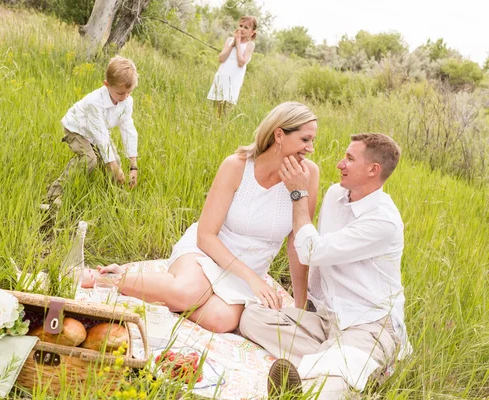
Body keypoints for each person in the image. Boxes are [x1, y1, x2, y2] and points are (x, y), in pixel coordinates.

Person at [80, 102, 319, 333]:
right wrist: (253, 280)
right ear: (279, 134)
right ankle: (112, 279)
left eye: (312, 141)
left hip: (249, 270)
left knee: (220, 320)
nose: (310, 148)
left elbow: (298, 245)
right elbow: (206, 236)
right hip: (207, 252)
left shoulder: (309, 175)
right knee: (188, 292)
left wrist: (300, 307)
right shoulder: (237, 166)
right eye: (305, 139)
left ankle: (163, 294)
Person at [240, 133, 411, 399]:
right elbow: (319, 263)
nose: (340, 164)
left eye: (350, 159)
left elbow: (311, 250)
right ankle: (339, 360)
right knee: (252, 318)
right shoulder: (335, 196)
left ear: (372, 170)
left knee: (338, 379)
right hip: (328, 318)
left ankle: (304, 390)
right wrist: (305, 305)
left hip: (369, 324)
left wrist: (298, 194)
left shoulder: (383, 222)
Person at [46, 56, 140, 208]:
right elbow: (101, 136)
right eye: (121, 93)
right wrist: (112, 166)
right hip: (77, 129)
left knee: (114, 159)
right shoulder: (94, 102)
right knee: (90, 159)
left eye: (129, 92)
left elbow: (128, 129)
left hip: (96, 131)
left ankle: (112, 196)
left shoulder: (127, 101)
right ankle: (55, 193)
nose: (125, 97)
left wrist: (133, 166)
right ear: (106, 85)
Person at [207, 15, 257, 116]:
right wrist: (232, 44)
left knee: (227, 109)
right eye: (240, 26)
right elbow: (221, 59)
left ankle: (223, 128)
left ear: (252, 32)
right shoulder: (230, 40)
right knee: (216, 108)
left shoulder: (250, 45)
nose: (242, 29)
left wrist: (238, 44)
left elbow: (241, 62)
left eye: (246, 27)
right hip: (222, 75)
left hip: (234, 79)